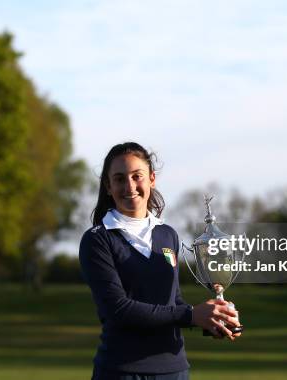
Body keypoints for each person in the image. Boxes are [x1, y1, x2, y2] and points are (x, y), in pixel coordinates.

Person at [79, 142, 242, 380]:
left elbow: (171, 302)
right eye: (120, 179)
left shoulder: (168, 235)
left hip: (174, 370)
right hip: (121, 372)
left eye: (137, 176)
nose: (130, 186)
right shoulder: (97, 240)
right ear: (108, 186)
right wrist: (192, 315)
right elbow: (117, 309)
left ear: (152, 179)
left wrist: (213, 318)